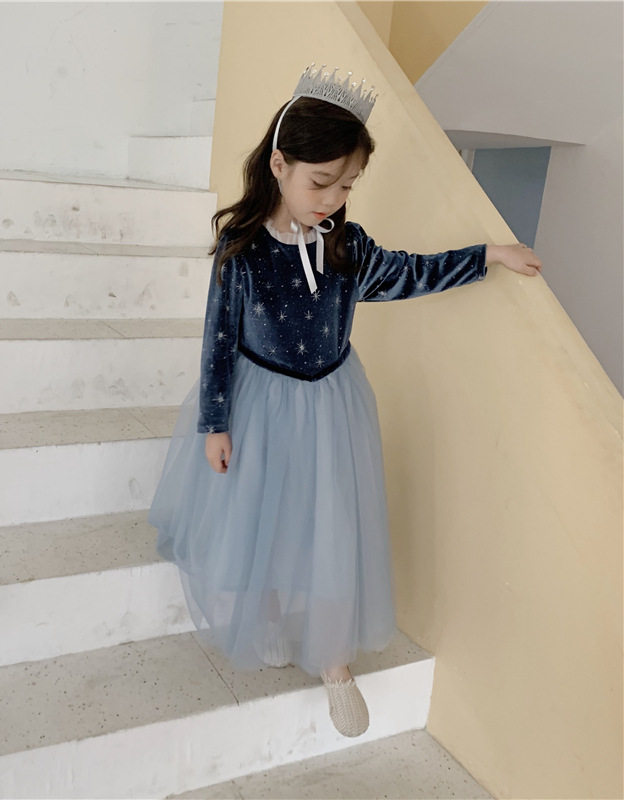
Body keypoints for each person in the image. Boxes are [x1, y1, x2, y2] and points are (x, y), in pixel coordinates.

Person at [147, 65, 542, 738]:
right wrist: (214, 423)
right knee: (267, 514)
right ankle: (272, 614)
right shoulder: (242, 251)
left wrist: (489, 256)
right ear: (279, 165)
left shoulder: (346, 246)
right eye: (321, 181)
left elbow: (410, 272)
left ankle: (334, 663)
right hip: (259, 404)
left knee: (329, 521)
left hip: (332, 405)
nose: (333, 198)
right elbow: (218, 340)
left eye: (348, 185)